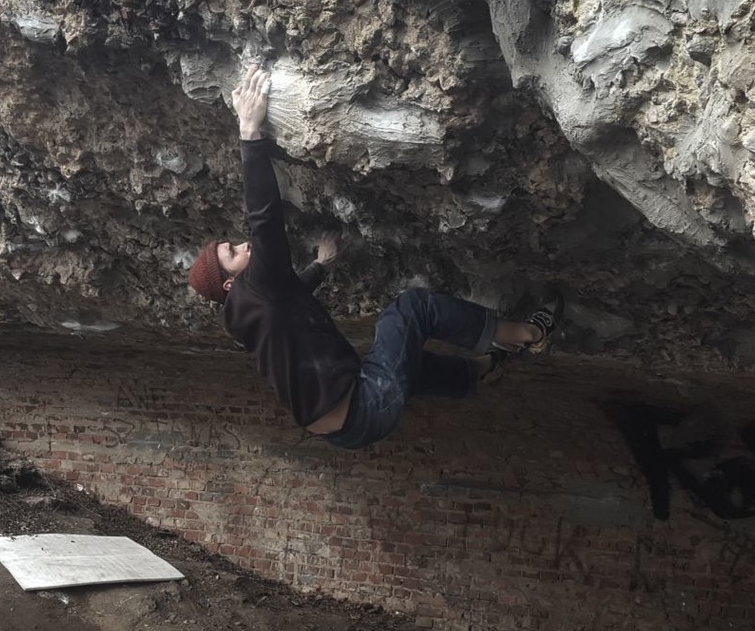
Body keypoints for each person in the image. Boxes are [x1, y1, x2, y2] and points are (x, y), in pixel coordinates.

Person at [187, 65, 562, 450]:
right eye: (233, 253)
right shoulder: (254, 286)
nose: (243, 246)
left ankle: (482, 370)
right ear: (229, 283)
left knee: (403, 359)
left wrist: (320, 266)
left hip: (343, 429)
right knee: (410, 309)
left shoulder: (245, 316)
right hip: (364, 405)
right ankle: (528, 334)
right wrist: (249, 133)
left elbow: (289, 299)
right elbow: (264, 220)